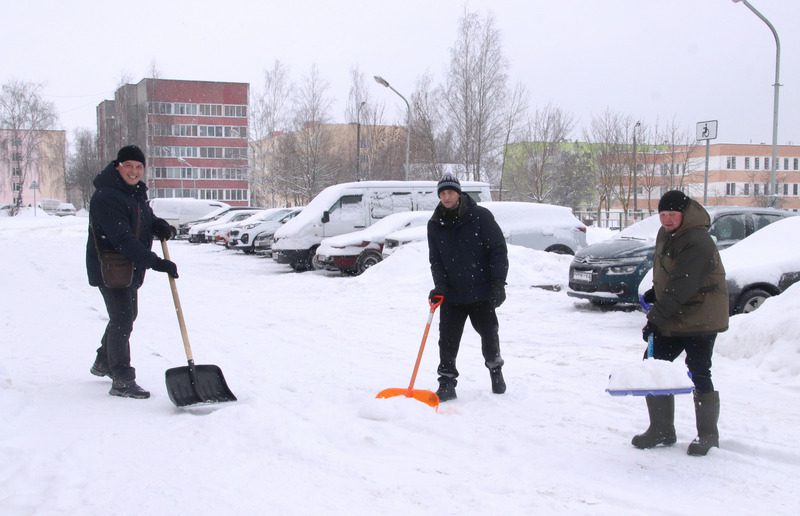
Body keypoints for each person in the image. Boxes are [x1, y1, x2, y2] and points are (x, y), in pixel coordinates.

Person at [634, 190, 729, 456]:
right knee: (654, 366)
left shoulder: (698, 240)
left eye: (672, 214)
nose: (666, 219)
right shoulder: (667, 234)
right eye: (662, 214)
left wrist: (655, 318)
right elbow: (670, 273)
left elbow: (685, 283)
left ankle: (708, 434)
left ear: (684, 214)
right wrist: (657, 290)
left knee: (698, 369)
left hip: (701, 316)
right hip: (676, 312)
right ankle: (662, 429)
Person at [85, 145, 179, 399]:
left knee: (125, 316)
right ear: (118, 166)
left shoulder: (135, 193)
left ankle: (103, 362)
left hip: (128, 268)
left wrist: (157, 225)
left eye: (139, 167)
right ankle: (122, 379)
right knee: (123, 319)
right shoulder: (106, 196)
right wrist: (157, 262)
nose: (134, 171)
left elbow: (142, 219)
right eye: (129, 166)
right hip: (111, 267)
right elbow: (123, 239)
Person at [427, 173, 509, 402]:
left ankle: (495, 370)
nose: (446, 197)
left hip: (480, 291)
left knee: (489, 334)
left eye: (450, 192)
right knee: (447, 340)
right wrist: (440, 287)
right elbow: (436, 260)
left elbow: (498, 251)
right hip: (452, 294)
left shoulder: (480, 217)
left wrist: (498, 284)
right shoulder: (435, 224)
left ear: (459, 193)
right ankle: (446, 382)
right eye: (442, 193)